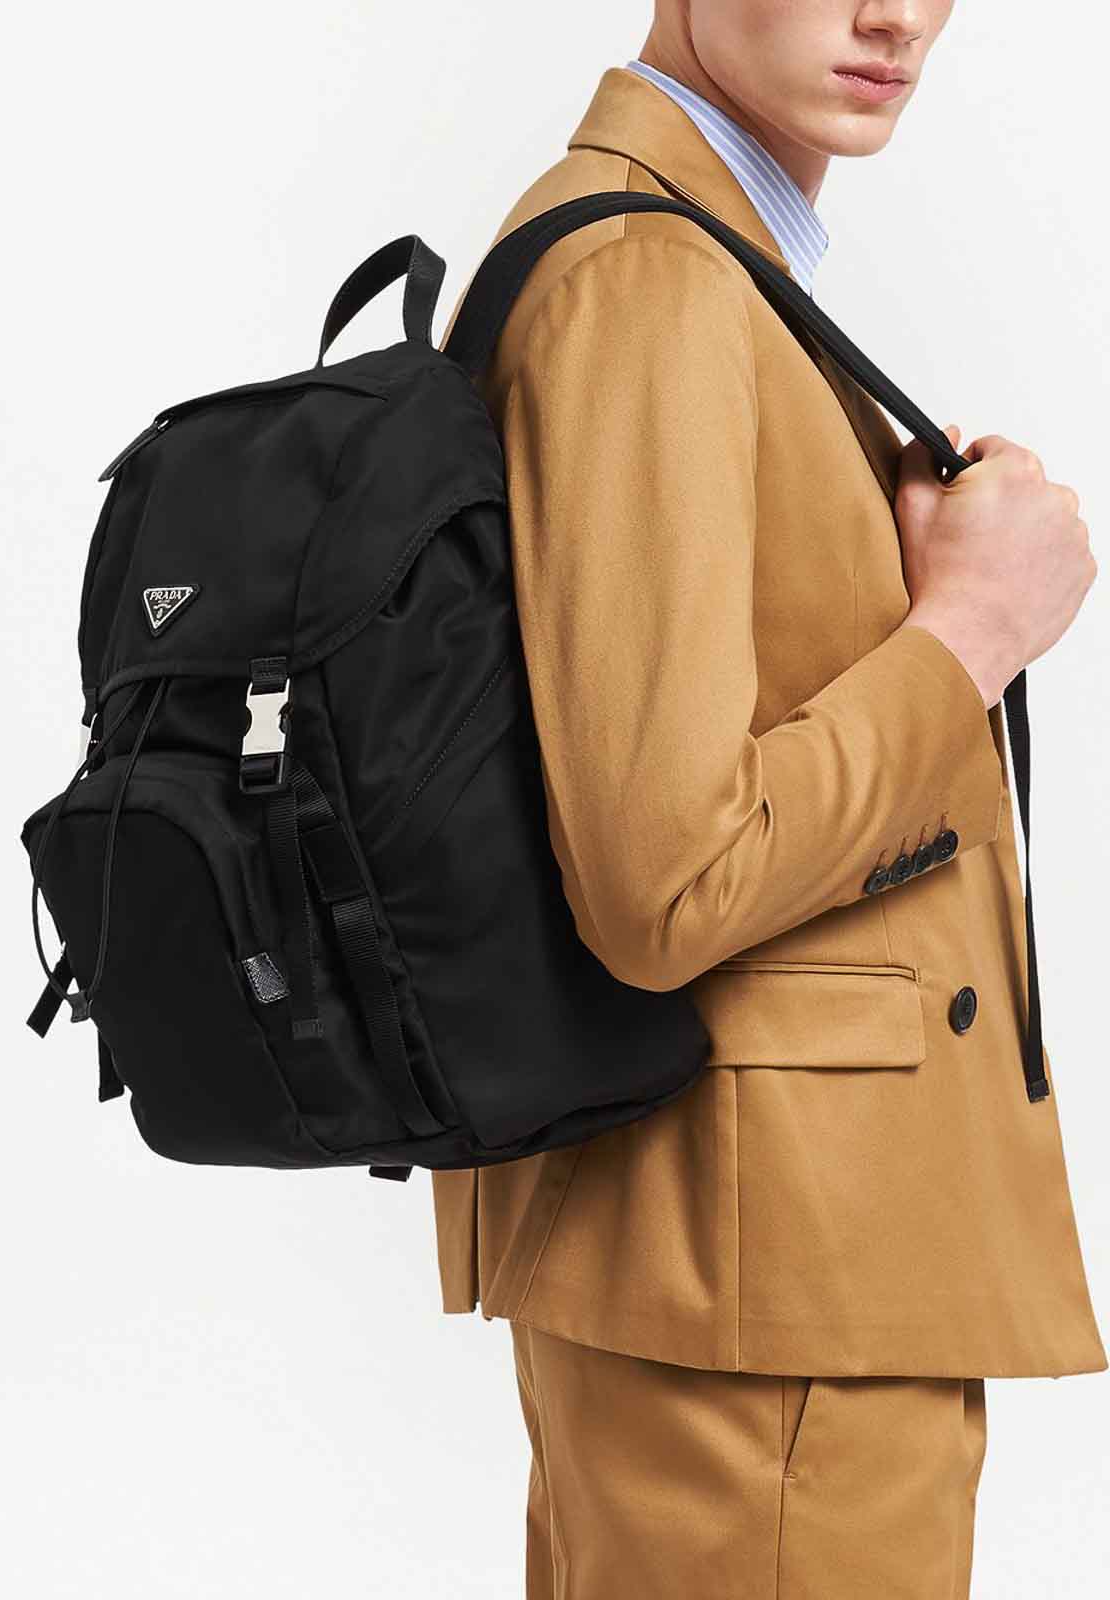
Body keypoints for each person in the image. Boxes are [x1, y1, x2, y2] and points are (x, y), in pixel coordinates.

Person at [430, 3, 1105, 1595]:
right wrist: (968, 636)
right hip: (764, 1295)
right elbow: (664, 877)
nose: (897, 16)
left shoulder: (700, 258)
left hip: (770, 1272)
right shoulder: (649, 277)